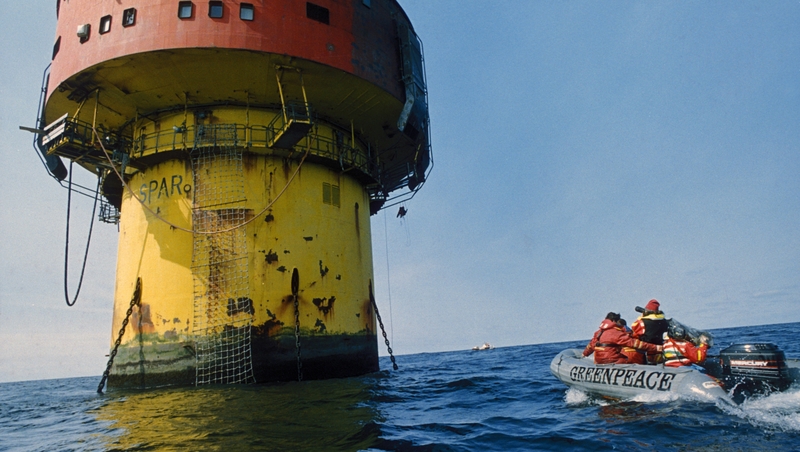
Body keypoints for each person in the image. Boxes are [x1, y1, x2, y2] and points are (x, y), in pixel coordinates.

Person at [583, 312, 662, 364]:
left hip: (599, 361)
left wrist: (584, 354)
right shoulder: (616, 333)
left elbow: (591, 345)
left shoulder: (598, 333)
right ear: (614, 321)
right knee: (630, 359)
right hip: (612, 361)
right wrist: (656, 348)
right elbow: (634, 343)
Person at [630, 299, 669, 364]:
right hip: (660, 350)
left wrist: (641, 317)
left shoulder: (642, 322)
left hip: (646, 350)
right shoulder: (664, 321)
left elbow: (635, 332)